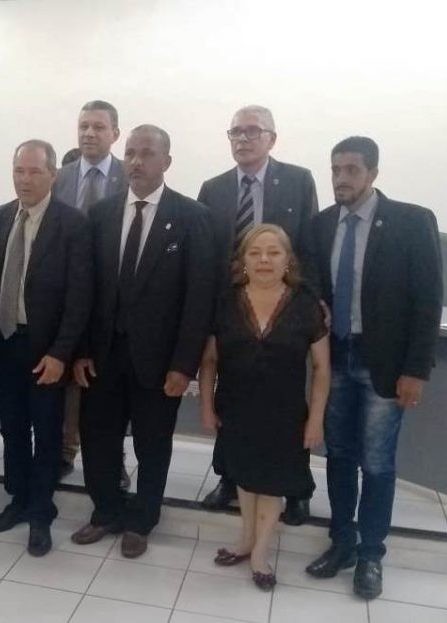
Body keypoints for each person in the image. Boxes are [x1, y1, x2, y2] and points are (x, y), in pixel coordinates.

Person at [303, 137, 442, 600]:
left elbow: (428, 301)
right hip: (336, 359)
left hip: (383, 363)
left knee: (377, 463)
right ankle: (342, 542)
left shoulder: (411, 221)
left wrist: (416, 369)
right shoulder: (321, 225)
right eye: (335, 169)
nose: (341, 178)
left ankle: (371, 555)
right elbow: (314, 288)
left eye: (351, 170)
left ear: (373, 173)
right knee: (339, 456)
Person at [72, 125, 216, 558]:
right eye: (130, 152)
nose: (135, 161)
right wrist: (81, 351)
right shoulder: (100, 214)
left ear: (166, 161)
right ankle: (105, 511)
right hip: (102, 355)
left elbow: (199, 298)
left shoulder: (191, 217)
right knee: (98, 438)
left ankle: (142, 519)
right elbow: (85, 289)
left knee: (152, 444)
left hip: (159, 360)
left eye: (147, 153)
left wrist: (184, 365)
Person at [197, 105, 320, 525]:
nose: (243, 139)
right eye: (235, 131)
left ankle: (296, 489)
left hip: (285, 308)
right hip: (233, 309)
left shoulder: (298, 180)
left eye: (252, 131)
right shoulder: (213, 188)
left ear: (272, 138)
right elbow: (206, 257)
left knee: (286, 402)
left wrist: (312, 301)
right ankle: (230, 477)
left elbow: (310, 246)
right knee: (233, 396)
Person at [198, 224, 330, 591]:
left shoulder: (306, 304)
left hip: (284, 414)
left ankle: (260, 554)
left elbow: (321, 367)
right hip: (236, 409)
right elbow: (209, 361)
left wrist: (316, 419)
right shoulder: (226, 301)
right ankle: (245, 540)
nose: (264, 260)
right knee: (244, 477)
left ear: (288, 260)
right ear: (243, 261)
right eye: (255, 253)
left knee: (272, 484)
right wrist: (206, 406)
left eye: (273, 252)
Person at [0, 140, 92, 556]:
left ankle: (41, 512)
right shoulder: (1, 215)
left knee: (47, 434)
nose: (24, 180)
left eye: (33, 171)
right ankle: (18, 499)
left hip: (46, 349)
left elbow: (80, 297)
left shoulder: (72, 223)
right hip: (7, 342)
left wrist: (61, 353)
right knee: (12, 428)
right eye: (18, 171)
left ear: (53, 175)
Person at [52, 100, 130, 482]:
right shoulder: (58, 178)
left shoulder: (131, 176)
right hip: (63, 300)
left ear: (115, 133)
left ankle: (114, 463)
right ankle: (63, 450)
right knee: (63, 382)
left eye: (98, 127)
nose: (89, 133)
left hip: (112, 304)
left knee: (108, 392)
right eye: (84, 126)